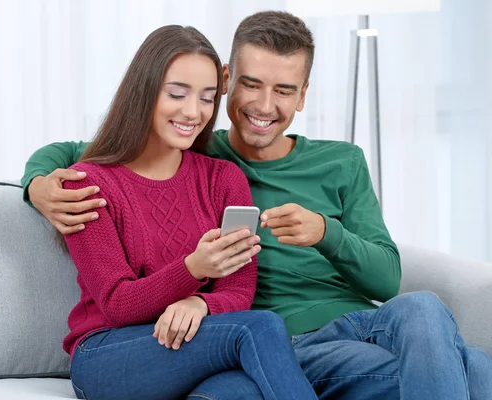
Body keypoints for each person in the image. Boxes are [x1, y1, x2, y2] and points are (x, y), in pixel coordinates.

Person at [22, 11, 492, 400]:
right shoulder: (185, 152)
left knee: (425, 309)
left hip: (343, 327)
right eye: (251, 85)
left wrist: (326, 233)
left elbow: (387, 281)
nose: (265, 106)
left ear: (303, 95)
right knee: (473, 368)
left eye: (284, 90)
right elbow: (99, 151)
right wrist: (37, 184)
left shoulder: (322, 164)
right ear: (229, 82)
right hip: (264, 340)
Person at [53, 24, 318, 400]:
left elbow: (239, 289)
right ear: (144, 93)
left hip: (190, 346)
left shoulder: (224, 179)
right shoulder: (87, 186)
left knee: (239, 392)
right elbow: (117, 305)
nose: (193, 113)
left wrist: (200, 301)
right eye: (177, 94)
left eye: (208, 98)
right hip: (107, 355)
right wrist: (194, 270)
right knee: (258, 328)